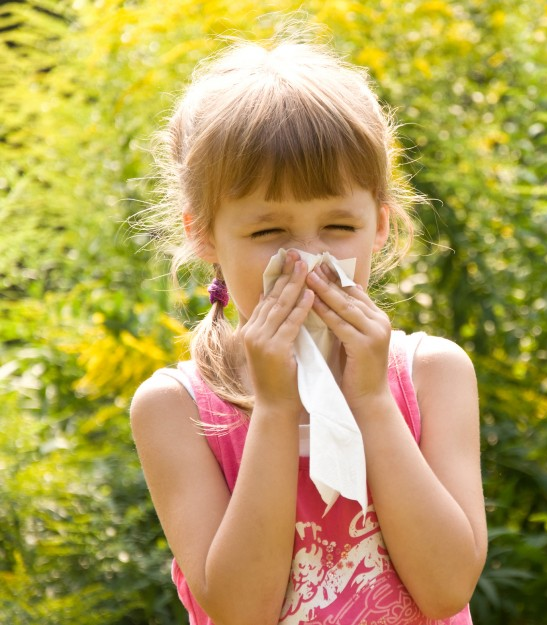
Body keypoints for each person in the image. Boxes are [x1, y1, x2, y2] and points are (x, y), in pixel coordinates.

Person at [130, 31, 487, 625]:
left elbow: (447, 586)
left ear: (379, 224)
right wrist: (273, 410)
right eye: (268, 233)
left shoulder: (432, 375)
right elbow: (241, 610)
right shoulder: (176, 407)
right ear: (202, 234)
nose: (306, 261)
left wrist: (371, 399)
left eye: (338, 227)